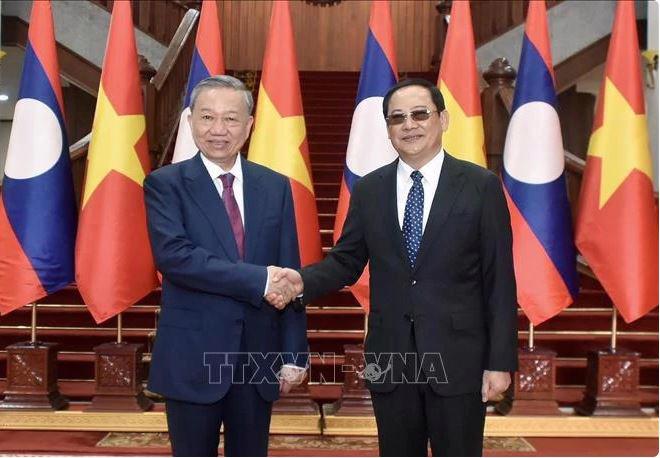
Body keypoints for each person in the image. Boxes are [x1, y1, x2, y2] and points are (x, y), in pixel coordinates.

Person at [270, 78, 518, 456]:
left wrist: (499, 362)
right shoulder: (370, 189)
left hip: (459, 358)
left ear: (444, 119)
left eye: (420, 114)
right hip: (390, 359)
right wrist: (300, 281)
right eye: (397, 118)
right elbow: (346, 260)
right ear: (388, 129)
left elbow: (499, 280)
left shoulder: (480, 186)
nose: (409, 125)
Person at [144, 75, 308, 457]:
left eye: (231, 119)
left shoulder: (275, 186)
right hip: (192, 356)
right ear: (190, 122)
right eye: (207, 117)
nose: (218, 130)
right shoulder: (165, 184)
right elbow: (176, 258)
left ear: (249, 125)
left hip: (258, 356)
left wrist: (294, 352)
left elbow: (289, 269)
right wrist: (259, 279)